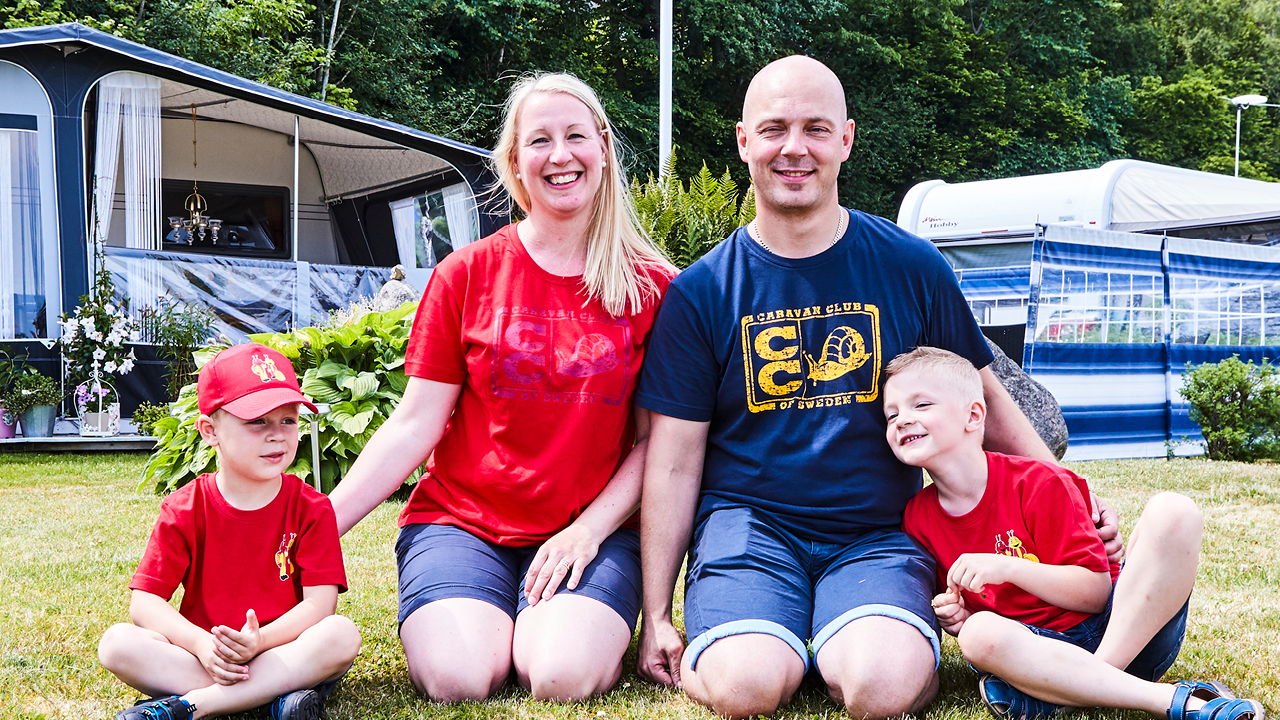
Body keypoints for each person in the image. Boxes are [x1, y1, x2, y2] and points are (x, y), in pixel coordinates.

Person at [633, 55, 1121, 720]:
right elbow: (672, 459)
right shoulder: (701, 294)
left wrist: (1075, 502)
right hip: (747, 530)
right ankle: (765, 643)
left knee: (881, 690)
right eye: (774, 129)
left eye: (815, 128)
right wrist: (657, 613)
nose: (794, 148)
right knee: (746, 689)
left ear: (847, 140)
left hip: (881, 532)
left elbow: (987, 402)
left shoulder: (911, 265)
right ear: (744, 140)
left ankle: (833, 641)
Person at [325, 72, 675, 703]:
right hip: (463, 522)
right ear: (515, 163)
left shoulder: (653, 289)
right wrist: (319, 525)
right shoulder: (465, 274)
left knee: (560, 676)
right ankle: (492, 615)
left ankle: (541, 622)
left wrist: (588, 532)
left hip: (589, 532)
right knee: (460, 679)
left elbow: (656, 445)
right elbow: (414, 424)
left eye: (576, 136)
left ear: (603, 147)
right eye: (539, 141)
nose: (560, 155)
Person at [885, 346, 1264, 720]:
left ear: (973, 415)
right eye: (891, 414)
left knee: (1175, 511)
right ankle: (1133, 694)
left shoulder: (1039, 482)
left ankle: (1083, 690)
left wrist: (1007, 567)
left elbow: (1095, 594)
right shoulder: (918, 518)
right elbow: (971, 614)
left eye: (921, 405)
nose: (902, 419)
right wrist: (957, 616)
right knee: (977, 634)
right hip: (1038, 654)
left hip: (1123, 633)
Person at [98, 343, 361, 720]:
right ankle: (271, 700)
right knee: (118, 644)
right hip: (209, 656)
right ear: (210, 430)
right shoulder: (185, 508)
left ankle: (190, 705)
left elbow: (320, 606)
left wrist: (259, 642)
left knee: (340, 634)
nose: (277, 435)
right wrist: (203, 645)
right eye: (257, 422)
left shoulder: (312, 508)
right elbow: (145, 603)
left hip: (282, 650)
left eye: (288, 420)